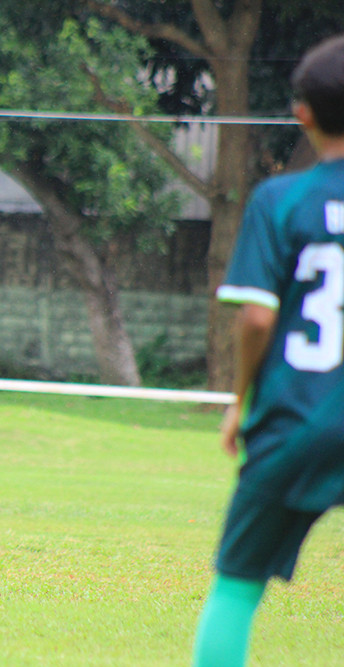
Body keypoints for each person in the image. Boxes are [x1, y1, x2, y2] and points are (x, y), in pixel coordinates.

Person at [192, 34, 344, 666]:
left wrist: (240, 399)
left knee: (237, 585)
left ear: (301, 113)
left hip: (294, 419)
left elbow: (257, 316)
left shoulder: (280, 200)